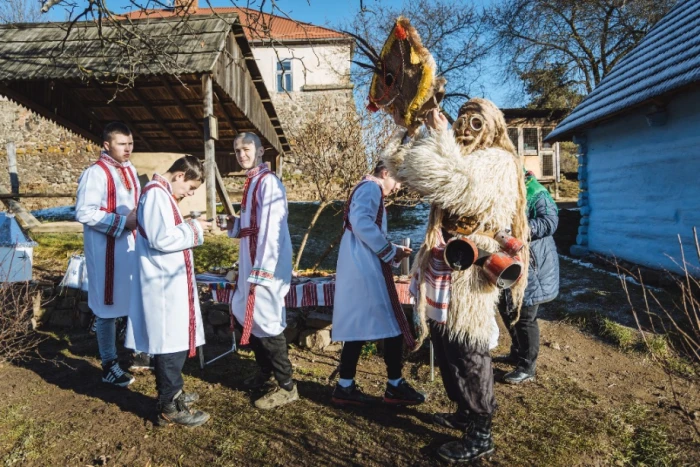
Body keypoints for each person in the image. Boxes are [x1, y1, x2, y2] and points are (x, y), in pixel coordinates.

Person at [384, 99, 529, 463]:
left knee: (468, 345)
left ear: (493, 128)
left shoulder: (497, 160)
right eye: (461, 120)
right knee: (445, 341)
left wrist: (440, 135)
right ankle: (464, 410)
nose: (464, 127)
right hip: (445, 256)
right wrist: (411, 129)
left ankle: (481, 429)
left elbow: (455, 187)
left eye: (475, 122)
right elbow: (405, 170)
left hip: (472, 265)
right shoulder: (462, 154)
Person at [125, 155, 212, 427]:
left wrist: (186, 225)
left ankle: (175, 392)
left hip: (168, 282)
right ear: (179, 176)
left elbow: (162, 231)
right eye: (191, 187)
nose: (190, 193)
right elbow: (161, 238)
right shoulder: (155, 196)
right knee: (170, 344)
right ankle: (168, 404)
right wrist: (194, 228)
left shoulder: (163, 195)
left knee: (175, 341)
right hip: (161, 286)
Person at [331, 162, 426, 407]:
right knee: (391, 324)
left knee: (359, 326)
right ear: (385, 173)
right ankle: (394, 385)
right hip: (364, 269)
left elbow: (362, 227)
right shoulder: (371, 188)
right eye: (397, 181)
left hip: (360, 264)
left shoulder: (366, 189)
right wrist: (389, 251)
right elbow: (361, 222)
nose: (397, 188)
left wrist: (392, 250)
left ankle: (345, 385)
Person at [221, 132, 296, 410]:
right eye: (237, 150)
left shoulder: (269, 183)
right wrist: (235, 224)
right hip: (250, 259)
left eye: (246, 149)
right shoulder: (252, 182)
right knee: (244, 311)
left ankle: (287, 385)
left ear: (261, 150)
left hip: (266, 263)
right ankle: (265, 372)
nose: (242, 154)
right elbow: (252, 224)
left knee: (266, 318)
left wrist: (263, 270)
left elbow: (272, 227)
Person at [75, 122, 140, 387]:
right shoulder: (95, 173)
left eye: (131, 143)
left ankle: (137, 351)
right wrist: (122, 222)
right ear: (106, 145)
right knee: (107, 308)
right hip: (106, 253)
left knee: (133, 300)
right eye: (122, 144)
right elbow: (84, 212)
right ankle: (109, 364)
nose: (128, 149)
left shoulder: (130, 169)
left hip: (130, 248)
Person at [495, 170, 559, 384]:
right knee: (506, 308)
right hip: (510, 261)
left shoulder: (536, 192)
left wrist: (518, 230)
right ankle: (517, 351)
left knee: (524, 315)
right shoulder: (503, 192)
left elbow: (550, 222)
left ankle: (527, 366)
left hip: (533, 263)